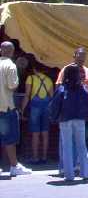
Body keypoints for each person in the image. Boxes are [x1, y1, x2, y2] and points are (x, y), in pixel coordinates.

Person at [0, 41, 32, 176]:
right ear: (12, 52)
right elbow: (13, 86)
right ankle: (14, 166)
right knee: (10, 138)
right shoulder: (11, 66)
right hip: (6, 106)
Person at [57, 64, 88, 182]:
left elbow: (55, 104)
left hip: (65, 118)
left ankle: (69, 174)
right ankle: (86, 172)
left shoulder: (62, 88)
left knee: (67, 146)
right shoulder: (82, 88)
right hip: (79, 119)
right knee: (82, 145)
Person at [20, 65, 54, 164]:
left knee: (35, 133)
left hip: (35, 106)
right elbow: (52, 97)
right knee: (45, 133)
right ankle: (44, 157)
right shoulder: (49, 80)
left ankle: (35, 158)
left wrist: (22, 110)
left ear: (34, 69)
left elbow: (27, 95)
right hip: (46, 107)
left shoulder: (30, 78)